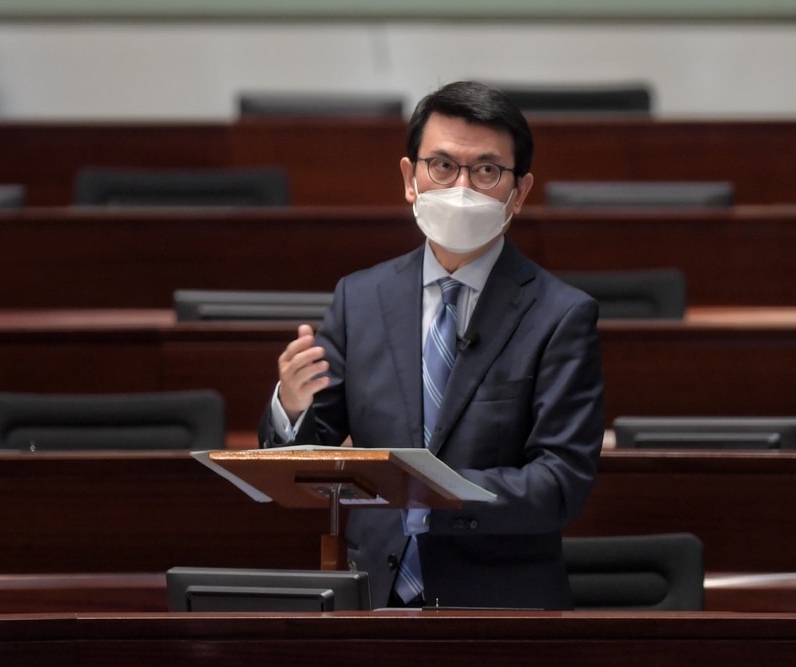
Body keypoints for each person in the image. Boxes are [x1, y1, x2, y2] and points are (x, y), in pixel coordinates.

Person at [257, 80, 605, 610]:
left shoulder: (561, 315)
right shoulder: (359, 297)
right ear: (409, 178)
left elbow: (558, 484)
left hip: (499, 610)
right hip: (371, 600)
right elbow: (300, 465)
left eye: (486, 170)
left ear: (520, 191)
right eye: (442, 166)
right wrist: (291, 406)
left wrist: (425, 489)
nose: (461, 187)